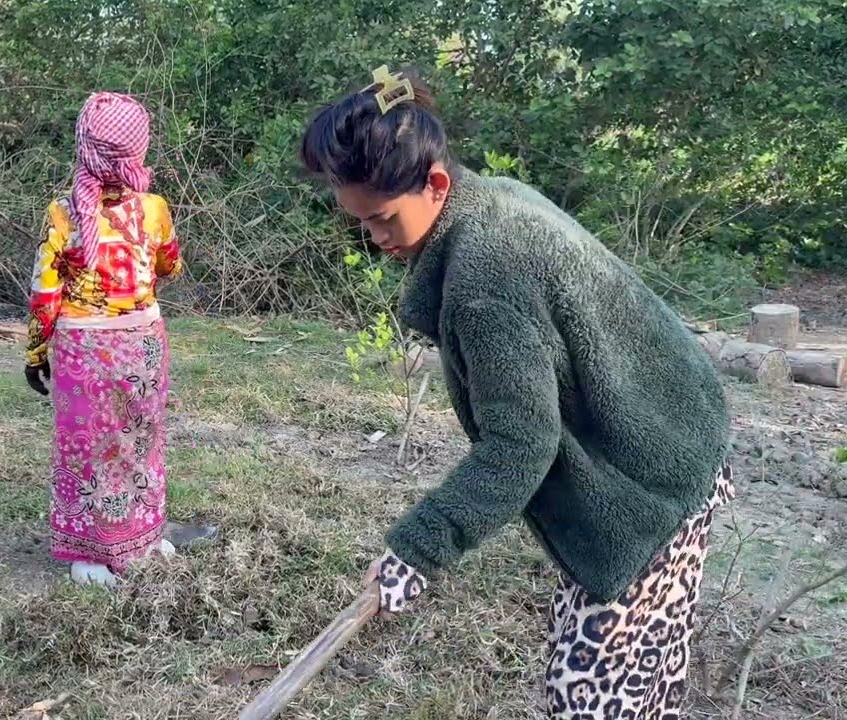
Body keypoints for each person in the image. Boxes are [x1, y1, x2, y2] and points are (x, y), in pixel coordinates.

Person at [300, 66, 734, 719]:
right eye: (364, 225)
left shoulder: (485, 278)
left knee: (586, 695)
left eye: (384, 220)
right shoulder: (486, 197)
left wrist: (418, 547)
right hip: (670, 431)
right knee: (631, 681)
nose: (378, 240)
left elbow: (520, 446)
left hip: (655, 475)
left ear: (436, 184)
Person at [24, 91, 184, 588]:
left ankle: (89, 556)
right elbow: (171, 267)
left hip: (83, 352)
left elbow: (44, 292)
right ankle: (143, 541)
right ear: (138, 151)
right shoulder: (155, 209)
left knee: (85, 450)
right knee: (141, 441)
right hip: (143, 345)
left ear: (84, 148)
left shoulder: (63, 214)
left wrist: (34, 352)